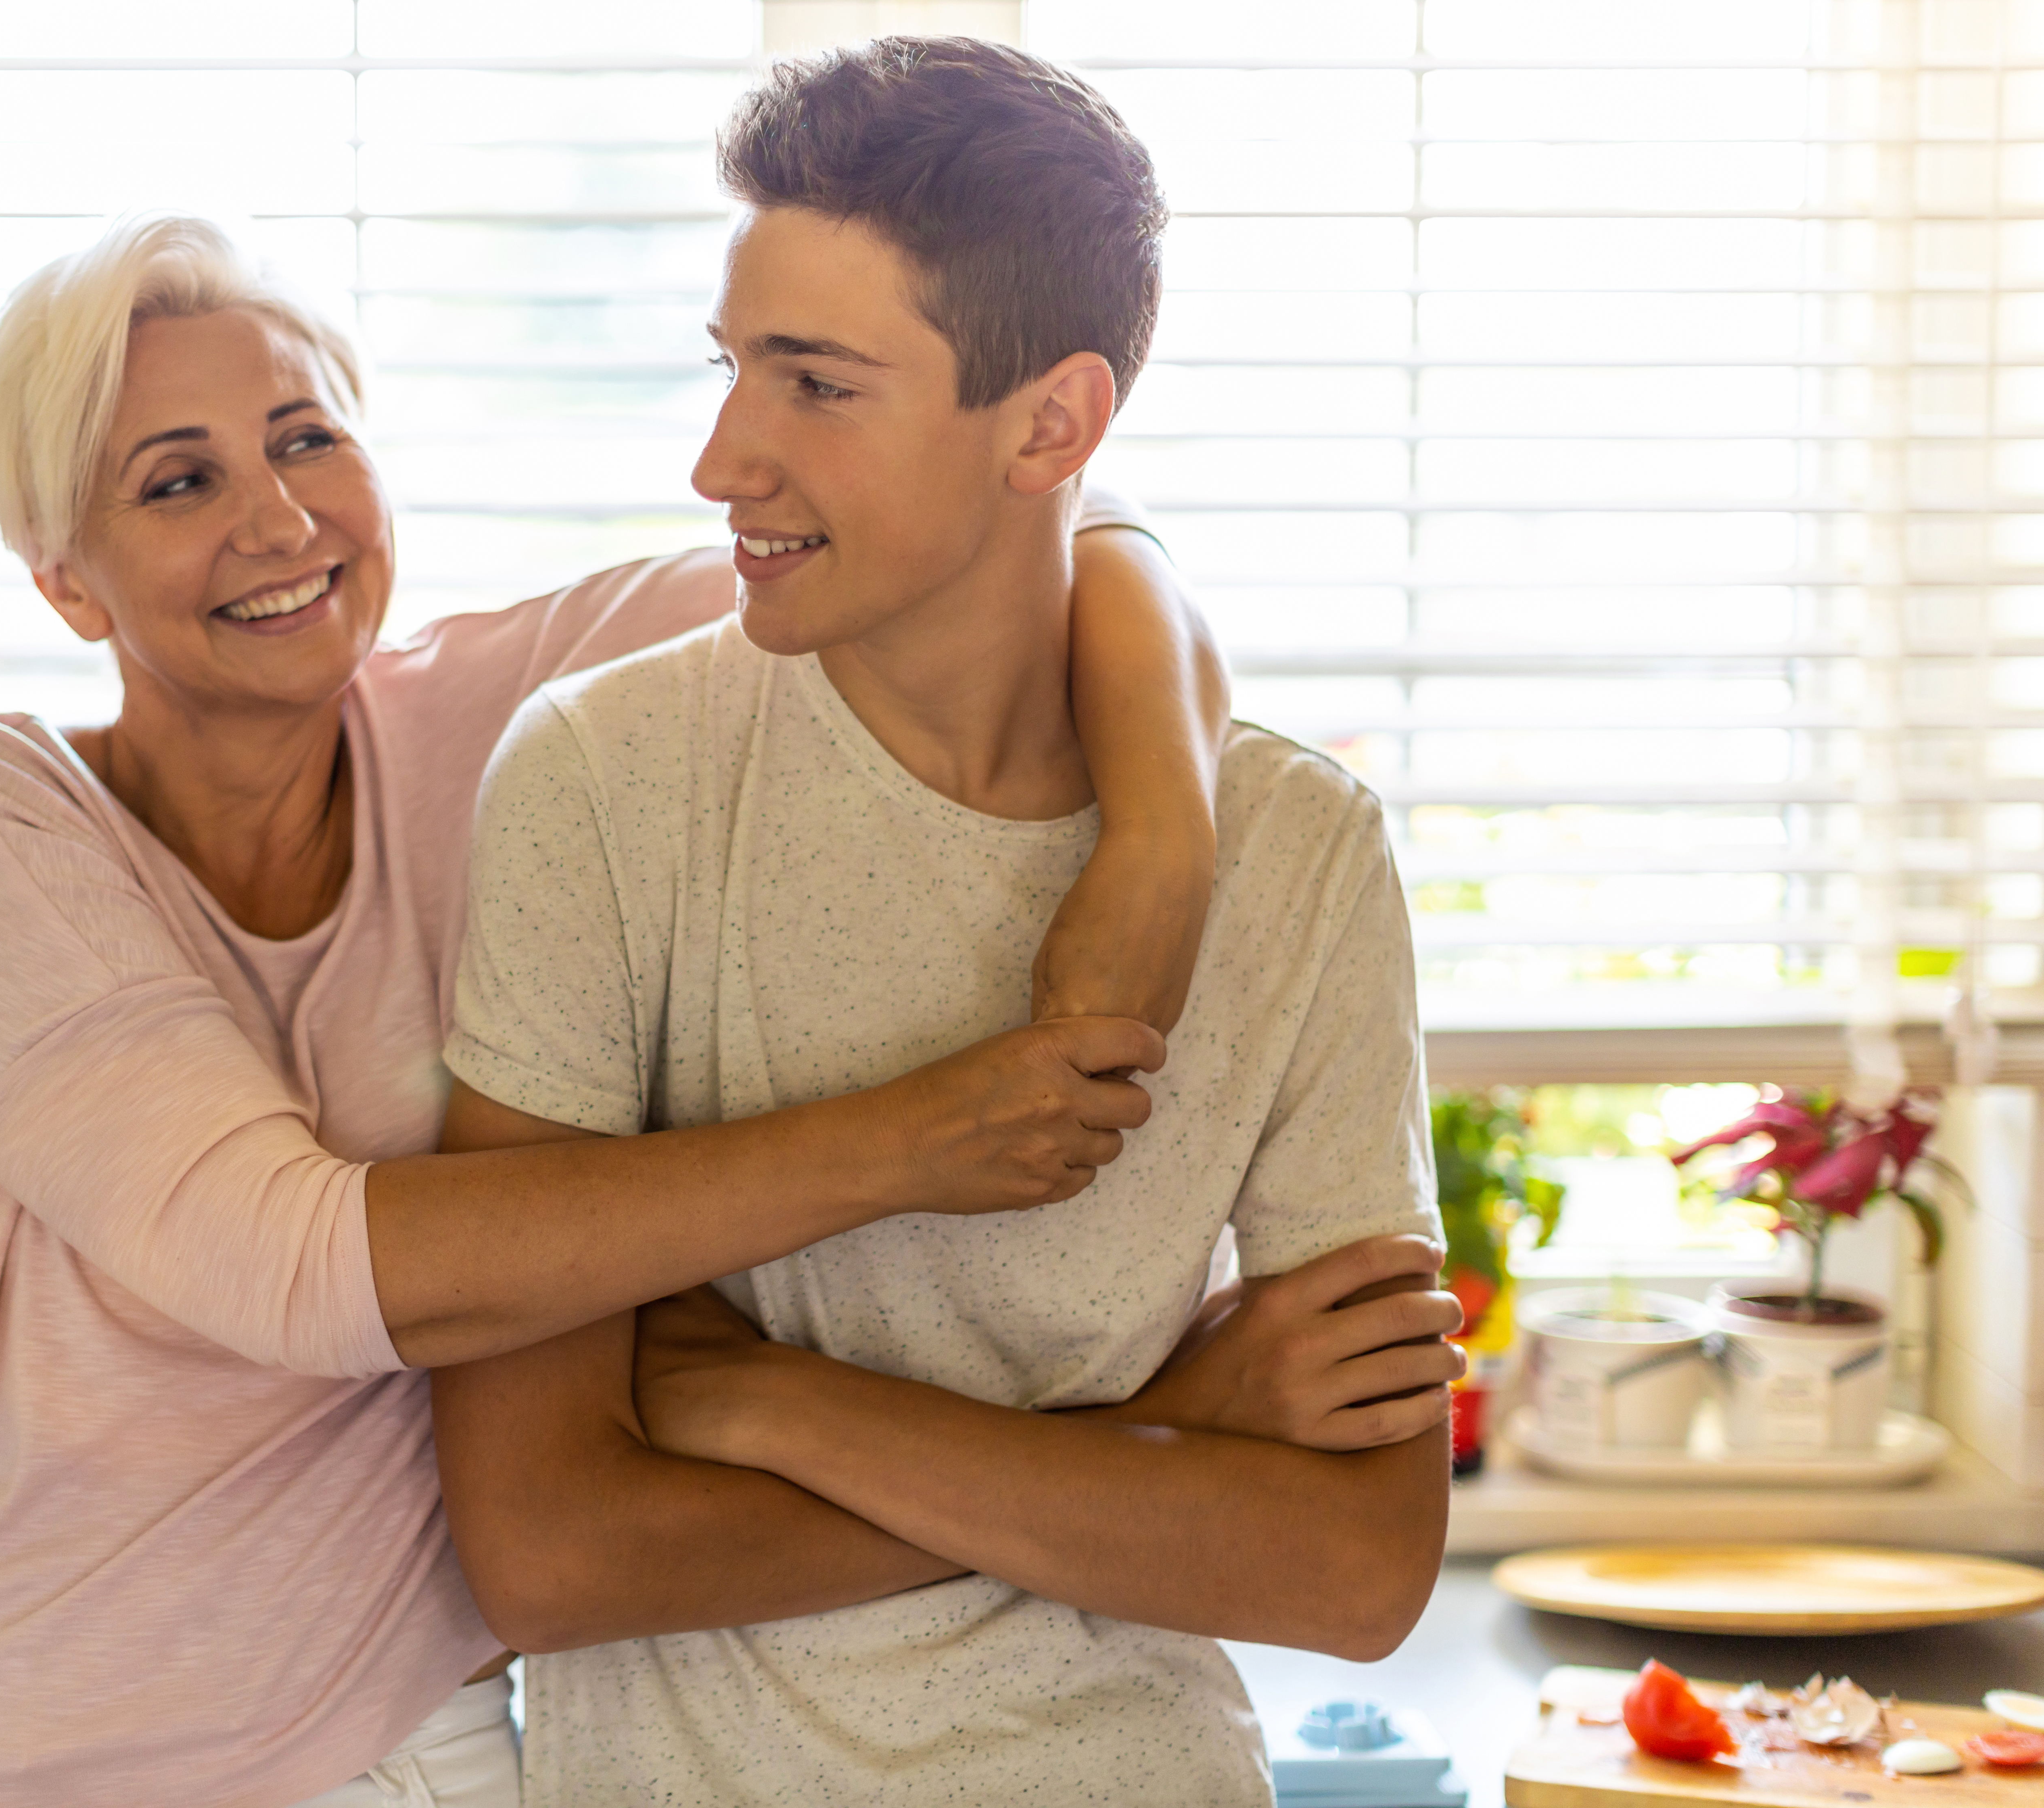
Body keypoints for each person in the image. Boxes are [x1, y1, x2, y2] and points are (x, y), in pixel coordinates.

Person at [0, 209, 1238, 1808]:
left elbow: (1015, 525)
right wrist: (916, 1151)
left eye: (306, 439)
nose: (277, 519)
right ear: (66, 582)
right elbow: (290, 1265)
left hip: (396, 1740)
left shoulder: (507, 724)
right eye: (178, 481)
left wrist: (1163, 833)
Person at [429, 39, 1460, 1807]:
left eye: (816, 386)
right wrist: (1151, 1455)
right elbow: (550, 1550)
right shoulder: (604, 781)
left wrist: (770, 1401)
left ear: (1050, 424)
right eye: (734, 365)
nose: (720, 460)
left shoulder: (1296, 851)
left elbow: (1354, 1571)